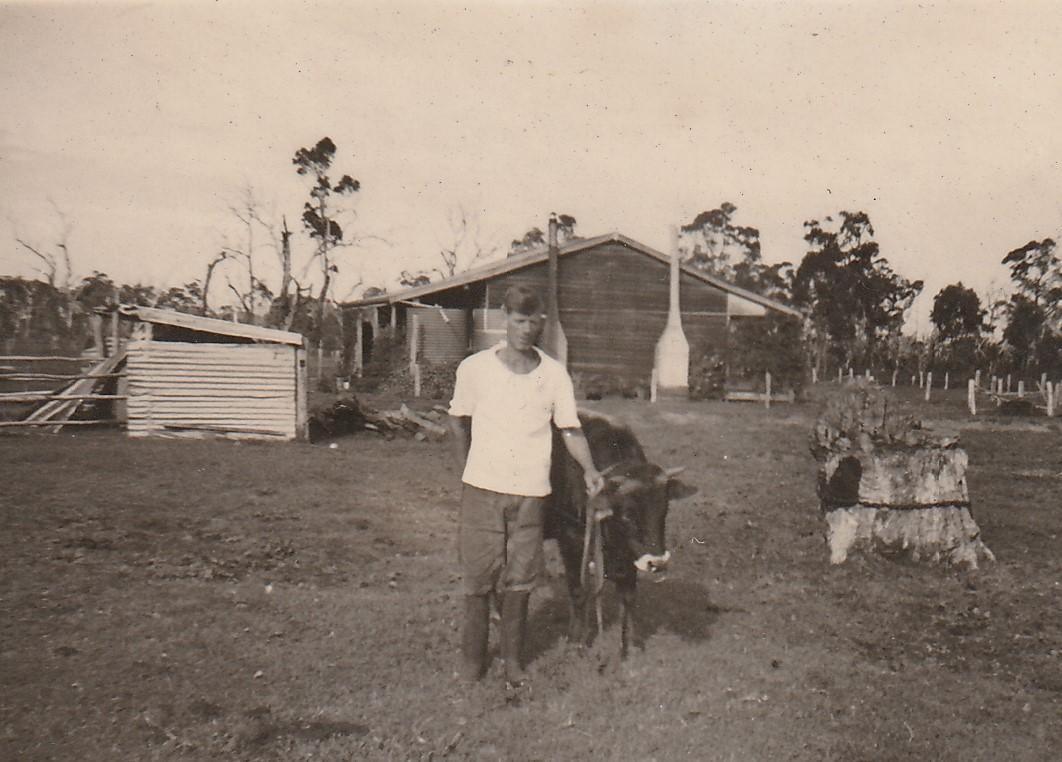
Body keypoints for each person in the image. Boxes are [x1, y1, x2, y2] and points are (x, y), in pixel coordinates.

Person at [447, 284, 603, 688]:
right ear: (504, 318)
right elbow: (458, 420)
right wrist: (468, 471)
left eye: (533, 323)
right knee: (479, 577)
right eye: (518, 321)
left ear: (542, 324)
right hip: (482, 490)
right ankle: (471, 663)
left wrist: (589, 469)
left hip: (532, 495)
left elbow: (570, 428)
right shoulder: (476, 368)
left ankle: (513, 662)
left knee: (521, 579)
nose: (526, 330)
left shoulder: (553, 374)